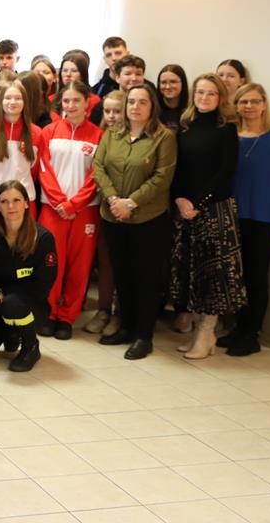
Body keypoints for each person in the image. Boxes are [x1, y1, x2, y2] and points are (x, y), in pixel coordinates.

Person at [93, 85, 176, 360]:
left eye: (142, 102)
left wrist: (130, 203)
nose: (135, 107)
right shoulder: (112, 133)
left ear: (152, 106)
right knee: (122, 274)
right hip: (113, 216)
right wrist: (113, 199)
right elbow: (99, 167)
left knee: (146, 278)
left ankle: (144, 335)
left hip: (147, 219)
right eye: (131, 102)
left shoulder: (163, 137)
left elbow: (162, 177)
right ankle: (126, 327)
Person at [171, 73, 245, 360]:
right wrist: (180, 199)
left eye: (211, 93)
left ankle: (206, 332)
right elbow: (178, 168)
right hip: (185, 209)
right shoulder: (186, 127)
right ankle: (197, 332)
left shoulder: (226, 129)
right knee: (191, 272)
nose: (204, 98)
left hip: (214, 209)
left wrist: (198, 203)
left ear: (220, 97)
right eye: (200, 92)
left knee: (212, 275)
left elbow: (225, 172)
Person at [221, 83, 270, 356]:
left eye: (254, 101)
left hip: (264, 218)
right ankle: (238, 328)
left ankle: (251, 334)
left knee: (256, 277)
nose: (249, 106)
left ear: (264, 105)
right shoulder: (230, 137)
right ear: (236, 106)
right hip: (233, 216)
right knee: (236, 277)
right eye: (243, 102)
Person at [0, 181, 58, 372]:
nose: (11, 206)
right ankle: (9, 333)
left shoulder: (43, 238)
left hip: (29, 305)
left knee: (11, 305)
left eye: (16, 200)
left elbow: (43, 284)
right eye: (4, 201)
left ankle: (30, 346)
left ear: (26, 203)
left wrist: (3, 293)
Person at [37, 82, 103, 340]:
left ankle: (66, 318)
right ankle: (48, 313)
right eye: (66, 101)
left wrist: (74, 204)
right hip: (52, 209)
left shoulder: (98, 135)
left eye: (76, 100)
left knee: (79, 267)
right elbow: (44, 168)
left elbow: (96, 175)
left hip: (84, 211)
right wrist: (60, 202)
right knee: (51, 263)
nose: (71, 105)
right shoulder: (49, 132)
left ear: (87, 103)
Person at [0, 79, 43, 231]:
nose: (12, 102)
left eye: (18, 98)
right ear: (0, 101)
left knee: (23, 244)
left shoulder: (37, 134)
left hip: (24, 202)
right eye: (8, 98)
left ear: (25, 102)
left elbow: (34, 170)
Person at [83, 90, 125, 337]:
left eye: (117, 111)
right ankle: (103, 310)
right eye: (107, 111)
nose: (111, 116)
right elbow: (96, 171)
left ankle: (119, 313)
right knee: (105, 262)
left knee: (122, 264)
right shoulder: (100, 135)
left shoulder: (132, 138)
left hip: (126, 208)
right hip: (102, 207)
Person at [89, 53, 147, 125]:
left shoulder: (149, 104)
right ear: (117, 77)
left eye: (138, 74)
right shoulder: (103, 106)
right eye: (128, 74)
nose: (134, 78)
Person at [157, 64, 189, 131]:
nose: (168, 87)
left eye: (173, 82)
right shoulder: (152, 109)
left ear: (183, 83)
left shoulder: (191, 110)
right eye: (163, 82)